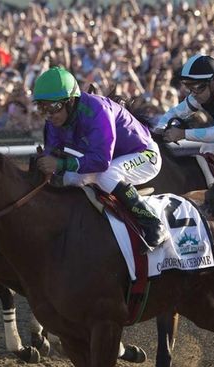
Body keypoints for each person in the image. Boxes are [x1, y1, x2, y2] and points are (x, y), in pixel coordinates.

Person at [33, 66, 166, 250]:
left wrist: (61, 164)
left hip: (144, 154)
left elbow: (101, 161)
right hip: (113, 160)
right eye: (43, 108)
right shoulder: (55, 121)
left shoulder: (98, 110)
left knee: (107, 176)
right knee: (69, 178)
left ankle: (152, 223)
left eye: (53, 107)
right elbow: (52, 154)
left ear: (71, 101)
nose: (49, 115)